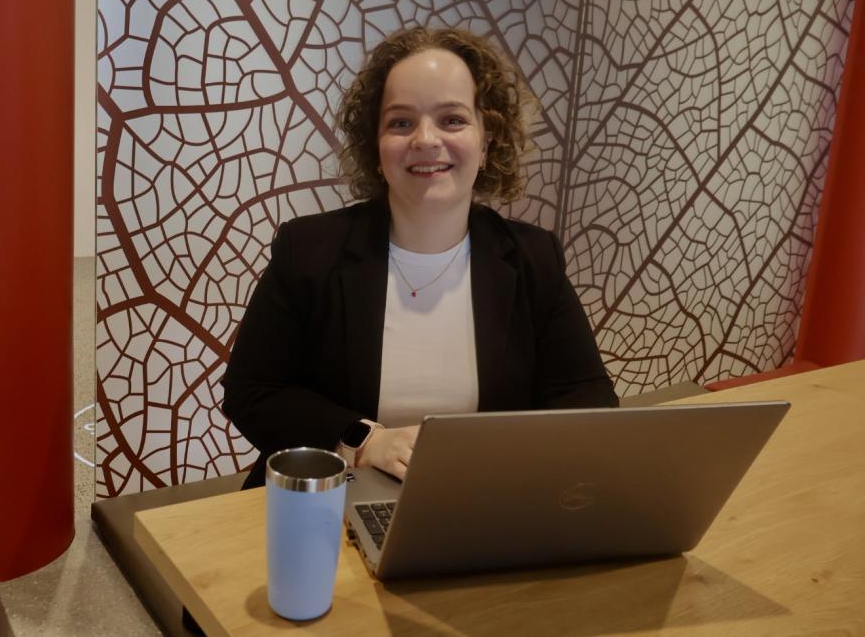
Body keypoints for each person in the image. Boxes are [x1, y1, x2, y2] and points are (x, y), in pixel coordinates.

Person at [222, 26, 617, 488]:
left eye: (452, 119)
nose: (426, 140)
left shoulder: (534, 258)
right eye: (401, 122)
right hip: (330, 501)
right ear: (377, 146)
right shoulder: (308, 251)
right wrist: (363, 441)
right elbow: (253, 392)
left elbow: (588, 397)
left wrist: (504, 457)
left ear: (488, 142)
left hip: (485, 500)